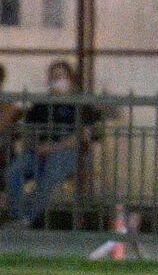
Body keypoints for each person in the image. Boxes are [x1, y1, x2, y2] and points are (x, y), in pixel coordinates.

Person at [4, 60, 95, 226]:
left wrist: (53, 147)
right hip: (37, 152)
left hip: (67, 153)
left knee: (48, 175)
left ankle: (26, 218)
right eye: (53, 77)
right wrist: (37, 146)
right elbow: (28, 132)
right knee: (13, 172)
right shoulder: (40, 105)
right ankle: (17, 215)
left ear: (70, 79)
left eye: (60, 76)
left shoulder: (81, 104)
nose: (56, 80)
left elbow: (82, 136)